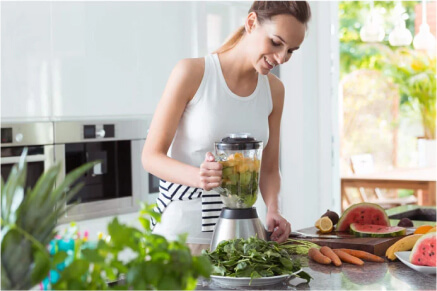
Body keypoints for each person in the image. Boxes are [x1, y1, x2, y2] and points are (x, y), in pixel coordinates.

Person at [142, 1, 311, 255]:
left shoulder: (274, 91)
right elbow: (150, 157)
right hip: (180, 242)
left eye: (291, 51)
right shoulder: (192, 73)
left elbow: (268, 168)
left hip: (240, 245)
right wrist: (199, 176)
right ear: (252, 23)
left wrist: (274, 208)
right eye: (276, 42)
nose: (281, 58)